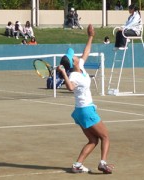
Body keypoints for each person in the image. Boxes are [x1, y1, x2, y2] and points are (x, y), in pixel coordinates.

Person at [57, 24, 114, 174]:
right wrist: (63, 74)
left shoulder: (80, 66)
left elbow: (86, 52)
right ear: (73, 62)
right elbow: (70, 87)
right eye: (73, 56)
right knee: (105, 137)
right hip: (86, 110)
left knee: (93, 140)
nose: (76, 56)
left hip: (80, 111)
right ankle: (103, 163)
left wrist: (91, 36)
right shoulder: (73, 75)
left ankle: (77, 165)